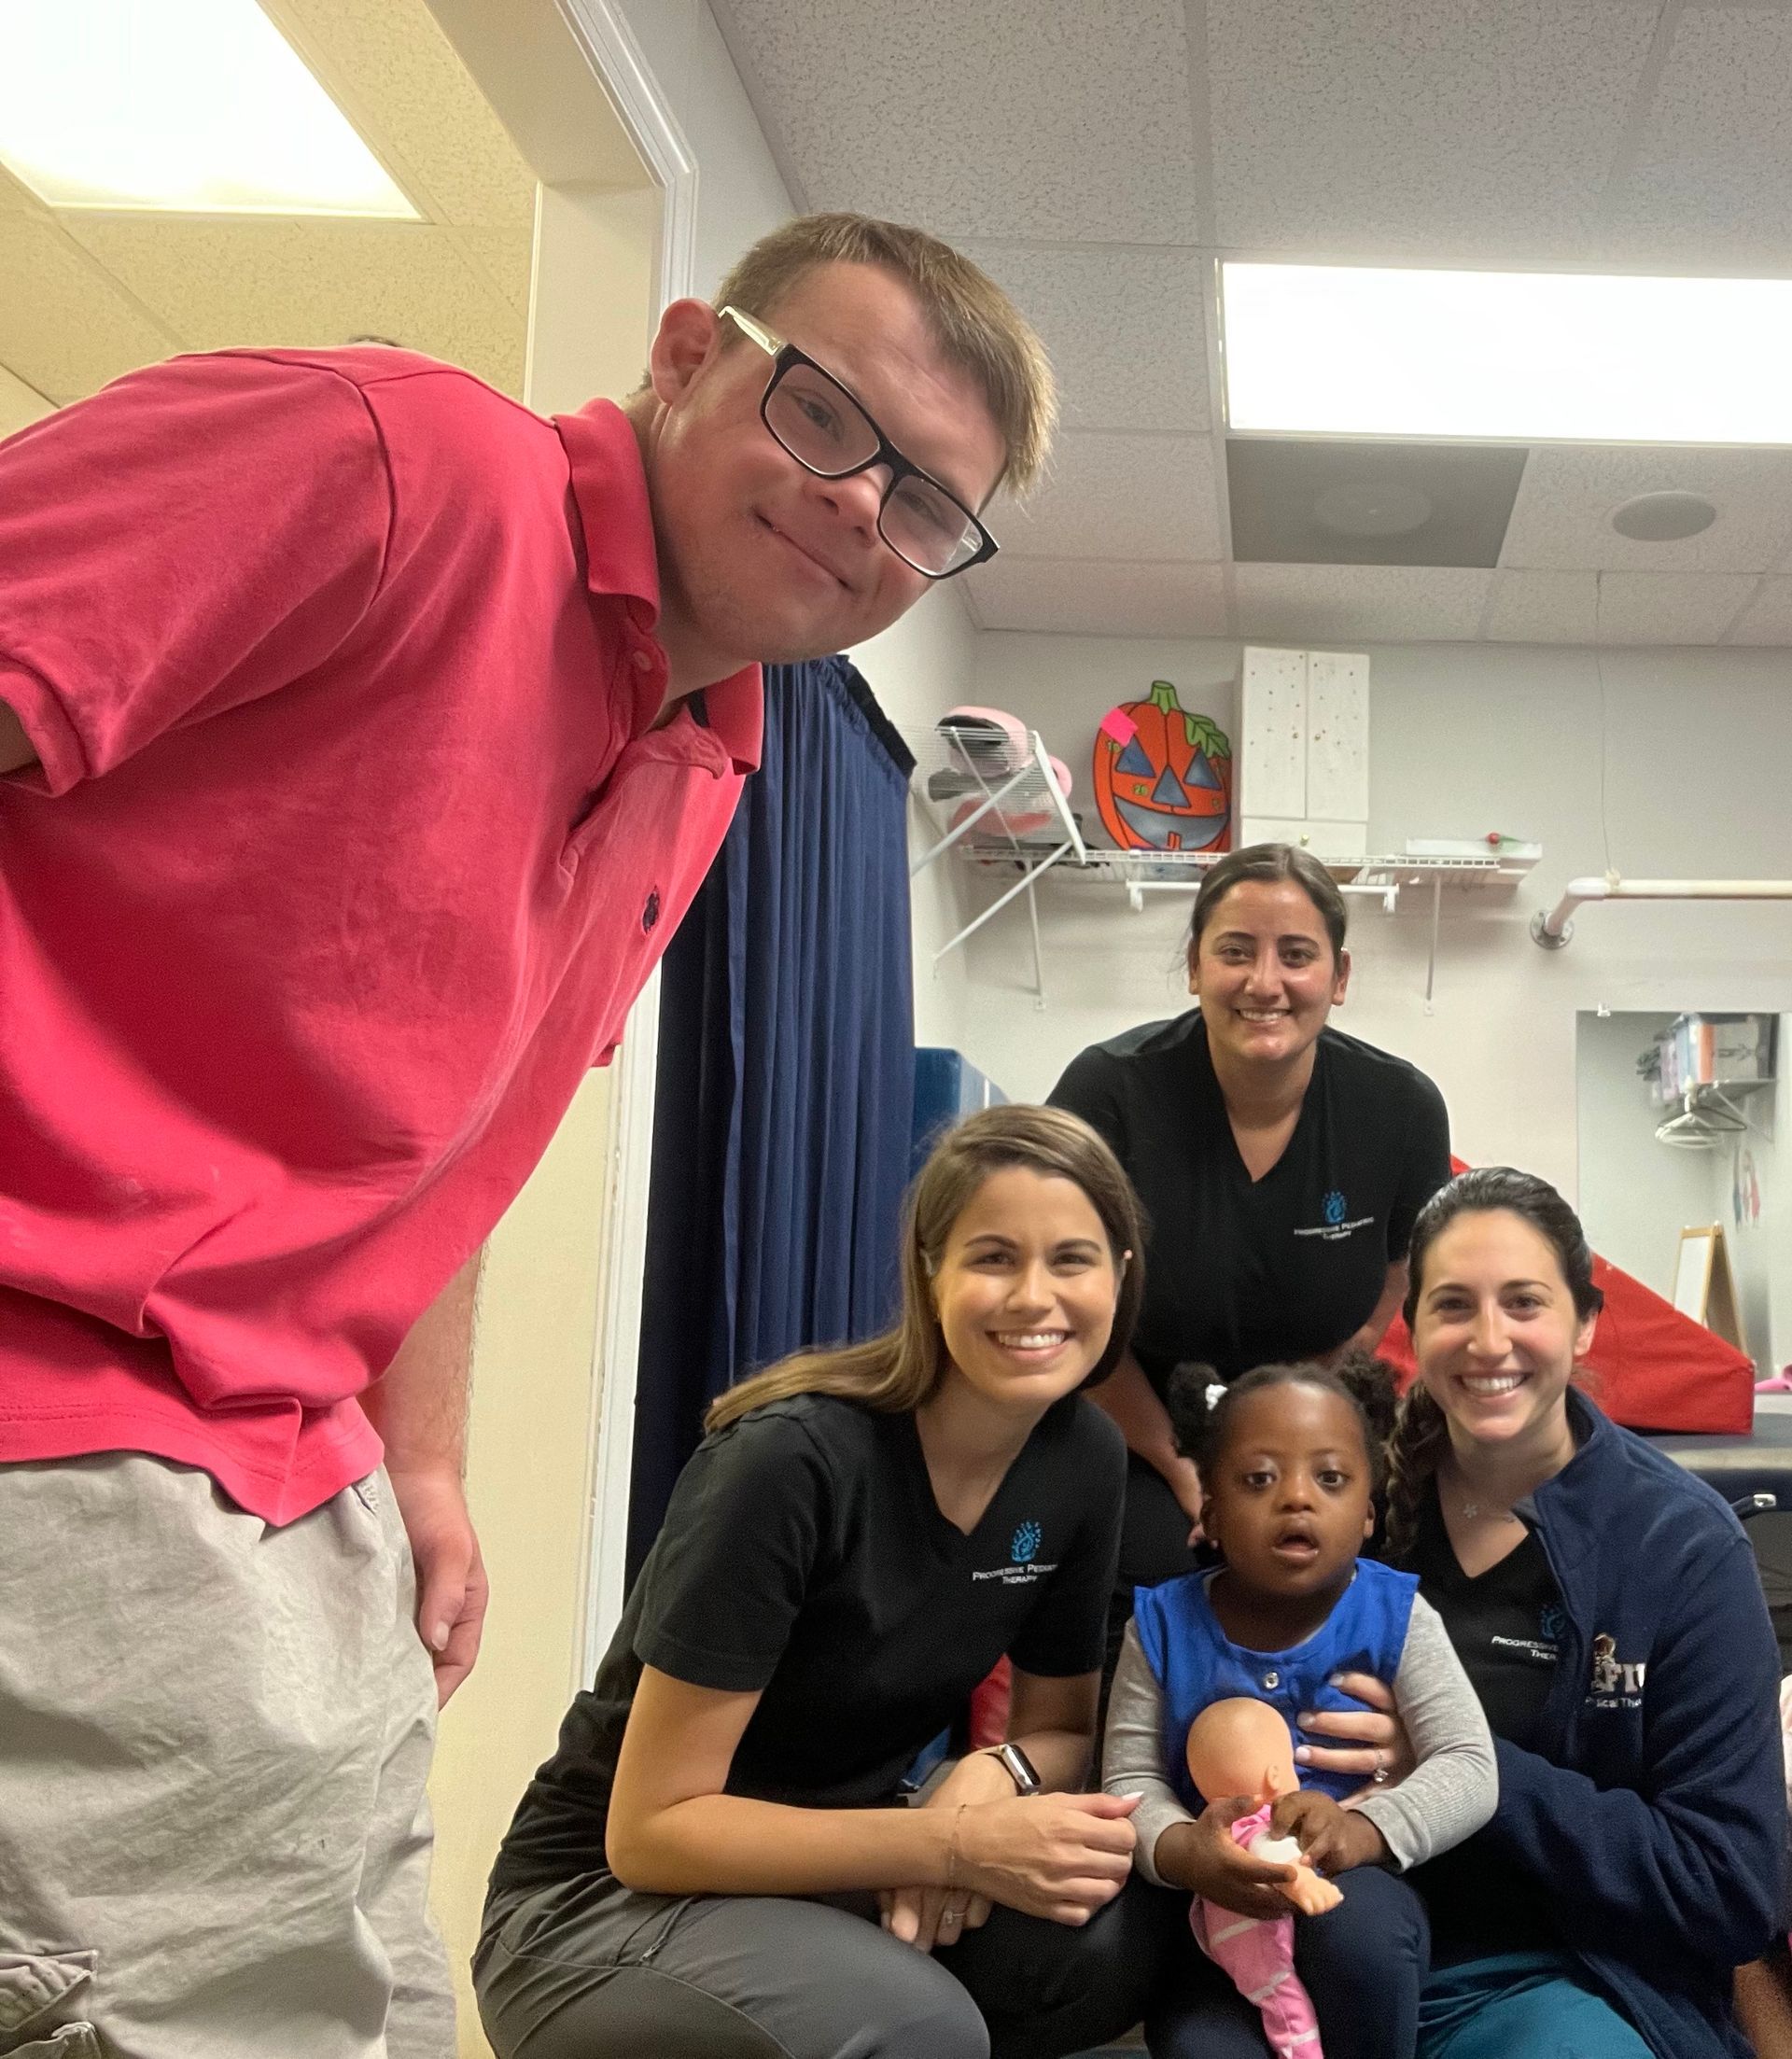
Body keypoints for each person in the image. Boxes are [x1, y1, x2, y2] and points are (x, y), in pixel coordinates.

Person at [0, 213, 1055, 2057]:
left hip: (296, 1481)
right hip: (67, 1410)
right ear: (681, 356)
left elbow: (451, 1130)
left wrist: (420, 1463)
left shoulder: (713, 752)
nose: (856, 507)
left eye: (925, 506)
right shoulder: (398, 467)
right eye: (822, 417)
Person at [474, 1105, 1188, 2059]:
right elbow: (649, 1831)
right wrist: (952, 1847)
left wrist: (983, 1776)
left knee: (1103, 1945)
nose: (1033, 1296)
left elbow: (1058, 1729)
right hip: (597, 1907)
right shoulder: (789, 1463)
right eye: (992, 1257)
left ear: (1121, 1275)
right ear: (929, 1270)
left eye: (1071, 1259)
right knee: (922, 2027)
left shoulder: (1081, 1457)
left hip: (825, 1868)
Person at [1309, 1167, 1785, 2057]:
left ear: (1587, 1321)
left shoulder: (1680, 1549)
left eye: (1523, 1302)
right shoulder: (1352, 1511)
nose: (1489, 1341)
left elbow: (1729, 1890)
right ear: (1415, 1329)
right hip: (1326, 1944)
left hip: (1562, 1972)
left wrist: (1466, 1765)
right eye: (1454, 1306)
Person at [1047, 842, 1453, 1677]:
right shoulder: (1108, 1093)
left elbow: (1395, 1276)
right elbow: (1064, 1307)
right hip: (1131, 1416)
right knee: (1161, 1572)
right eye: (1235, 951)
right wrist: (1180, 1459)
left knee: (1343, 1576)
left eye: (1296, 955)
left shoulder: (1400, 1108)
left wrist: (1282, 1439)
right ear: (1194, 966)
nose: (1264, 983)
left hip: (1306, 1414)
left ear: (1338, 977)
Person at [1104, 1356, 1495, 2058]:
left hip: (1356, 1897)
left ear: (1370, 1511)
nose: (1296, 1498)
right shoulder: (1160, 1627)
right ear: (1210, 1513)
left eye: (1332, 1479)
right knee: (1200, 2047)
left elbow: (1470, 1766)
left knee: (1363, 1944)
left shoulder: (1399, 1617)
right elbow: (1128, 1784)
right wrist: (1184, 1851)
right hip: (1214, 1920)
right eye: (1259, 1479)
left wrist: (1362, 1829)